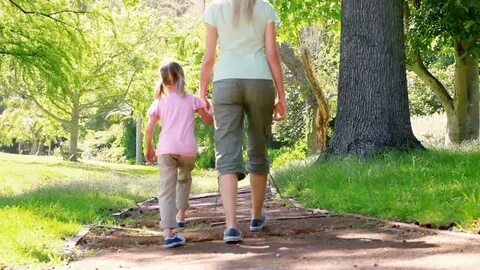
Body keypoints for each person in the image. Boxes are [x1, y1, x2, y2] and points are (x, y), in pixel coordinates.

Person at [199, 0, 287, 243]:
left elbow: (208, 58)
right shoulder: (265, 8)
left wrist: (202, 93)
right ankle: (257, 216)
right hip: (259, 80)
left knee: (227, 152)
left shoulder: (216, 9)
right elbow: (272, 54)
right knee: (258, 146)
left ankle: (231, 226)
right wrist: (282, 95)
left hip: (226, 81)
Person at [145, 61, 213, 248]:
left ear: (162, 80)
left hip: (166, 149)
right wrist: (210, 108)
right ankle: (180, 216)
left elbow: (150, 127)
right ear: (181, 76)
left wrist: (148, 147)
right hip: (187, 150)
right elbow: (208, 120)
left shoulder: (158, 102)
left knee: (166, 190)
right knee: (184, 179)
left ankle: (168, 234)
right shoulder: (192, 99)